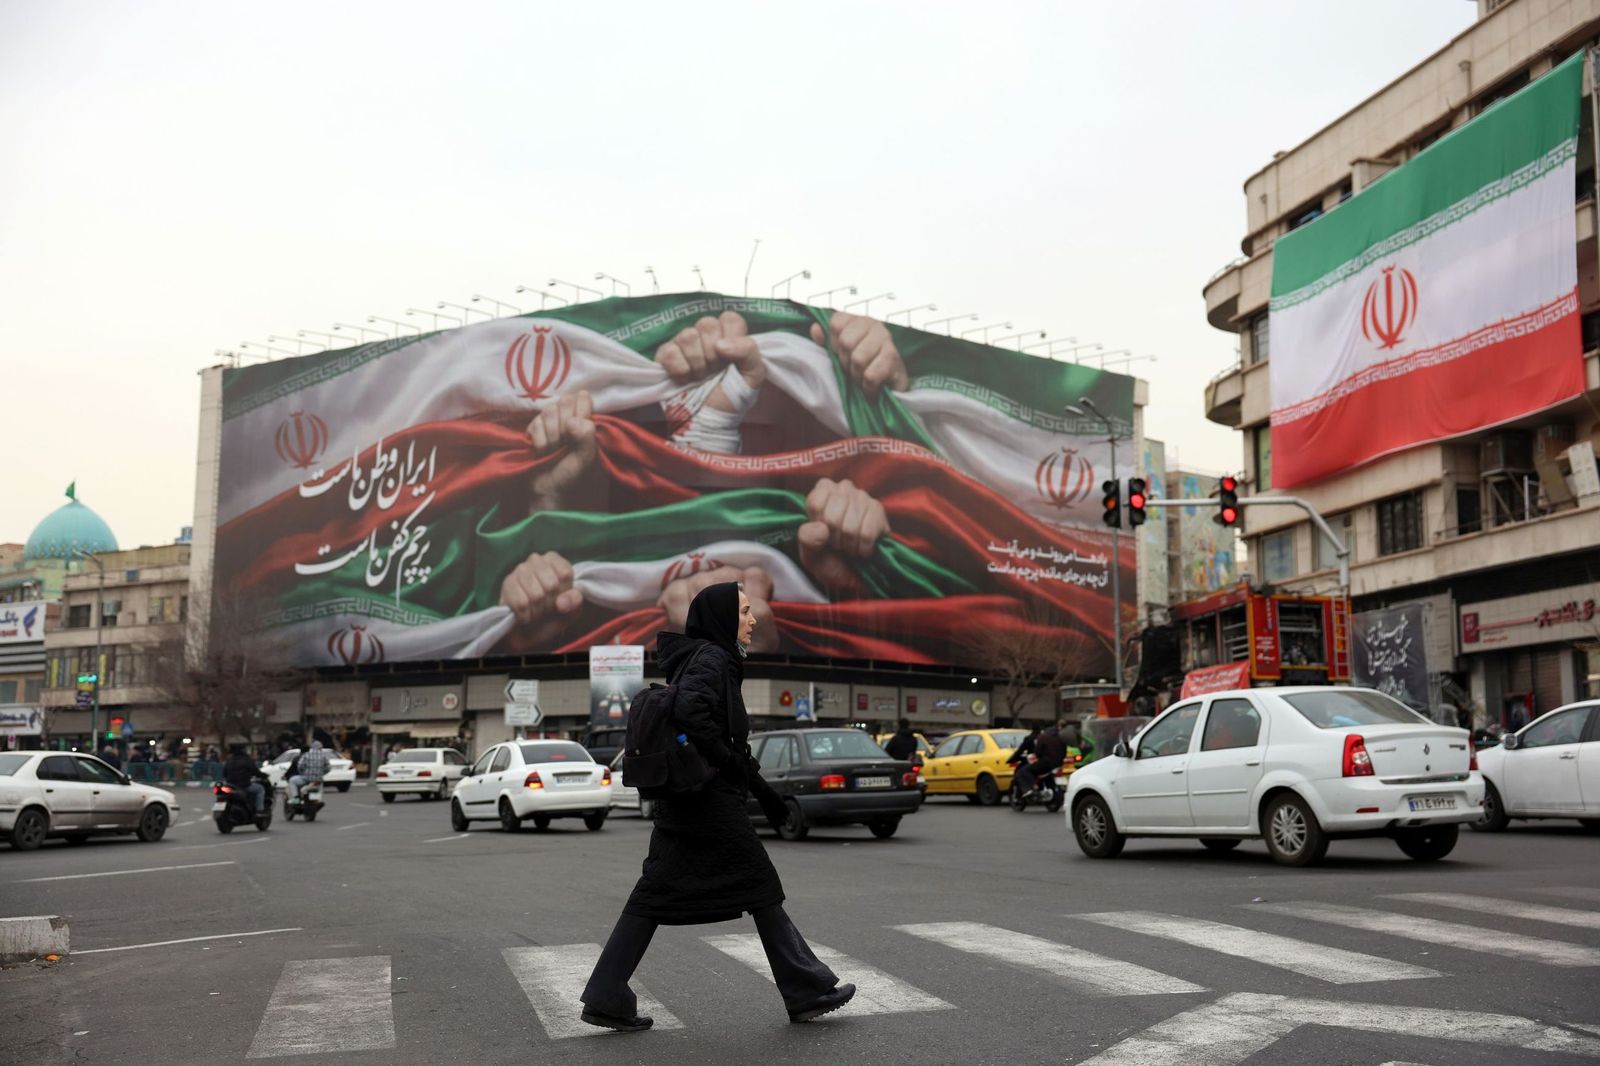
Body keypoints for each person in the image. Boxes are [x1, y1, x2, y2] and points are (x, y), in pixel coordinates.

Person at [581, 582, 855, 1032]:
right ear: (724, 617)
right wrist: (730, 768)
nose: (753, 620)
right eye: (745, 611)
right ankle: (805, 989)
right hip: (706, 801)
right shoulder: (714, 658)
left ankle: (606, 993)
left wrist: (760, 790)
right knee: (760, 885)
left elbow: (712, 727)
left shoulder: (705, 658)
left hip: (688, 799)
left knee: (654, 894)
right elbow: (693, 713)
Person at [1013, 722, 1066, 797]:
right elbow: (1064, 751)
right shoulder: (1060, 738)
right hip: (1058, 764)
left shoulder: (1042, 737)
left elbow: (1038, 753)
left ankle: (1032, 788)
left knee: (1024, 771)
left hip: (1046, 764)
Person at [223, 744, 265, 813]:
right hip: (244, 785)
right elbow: (255, 771)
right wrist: (263, 775)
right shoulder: (246, 760)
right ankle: (259, 810)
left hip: (230, 785)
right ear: (243, 751)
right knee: (260, 789)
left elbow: (224, 773)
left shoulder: (230, 760)